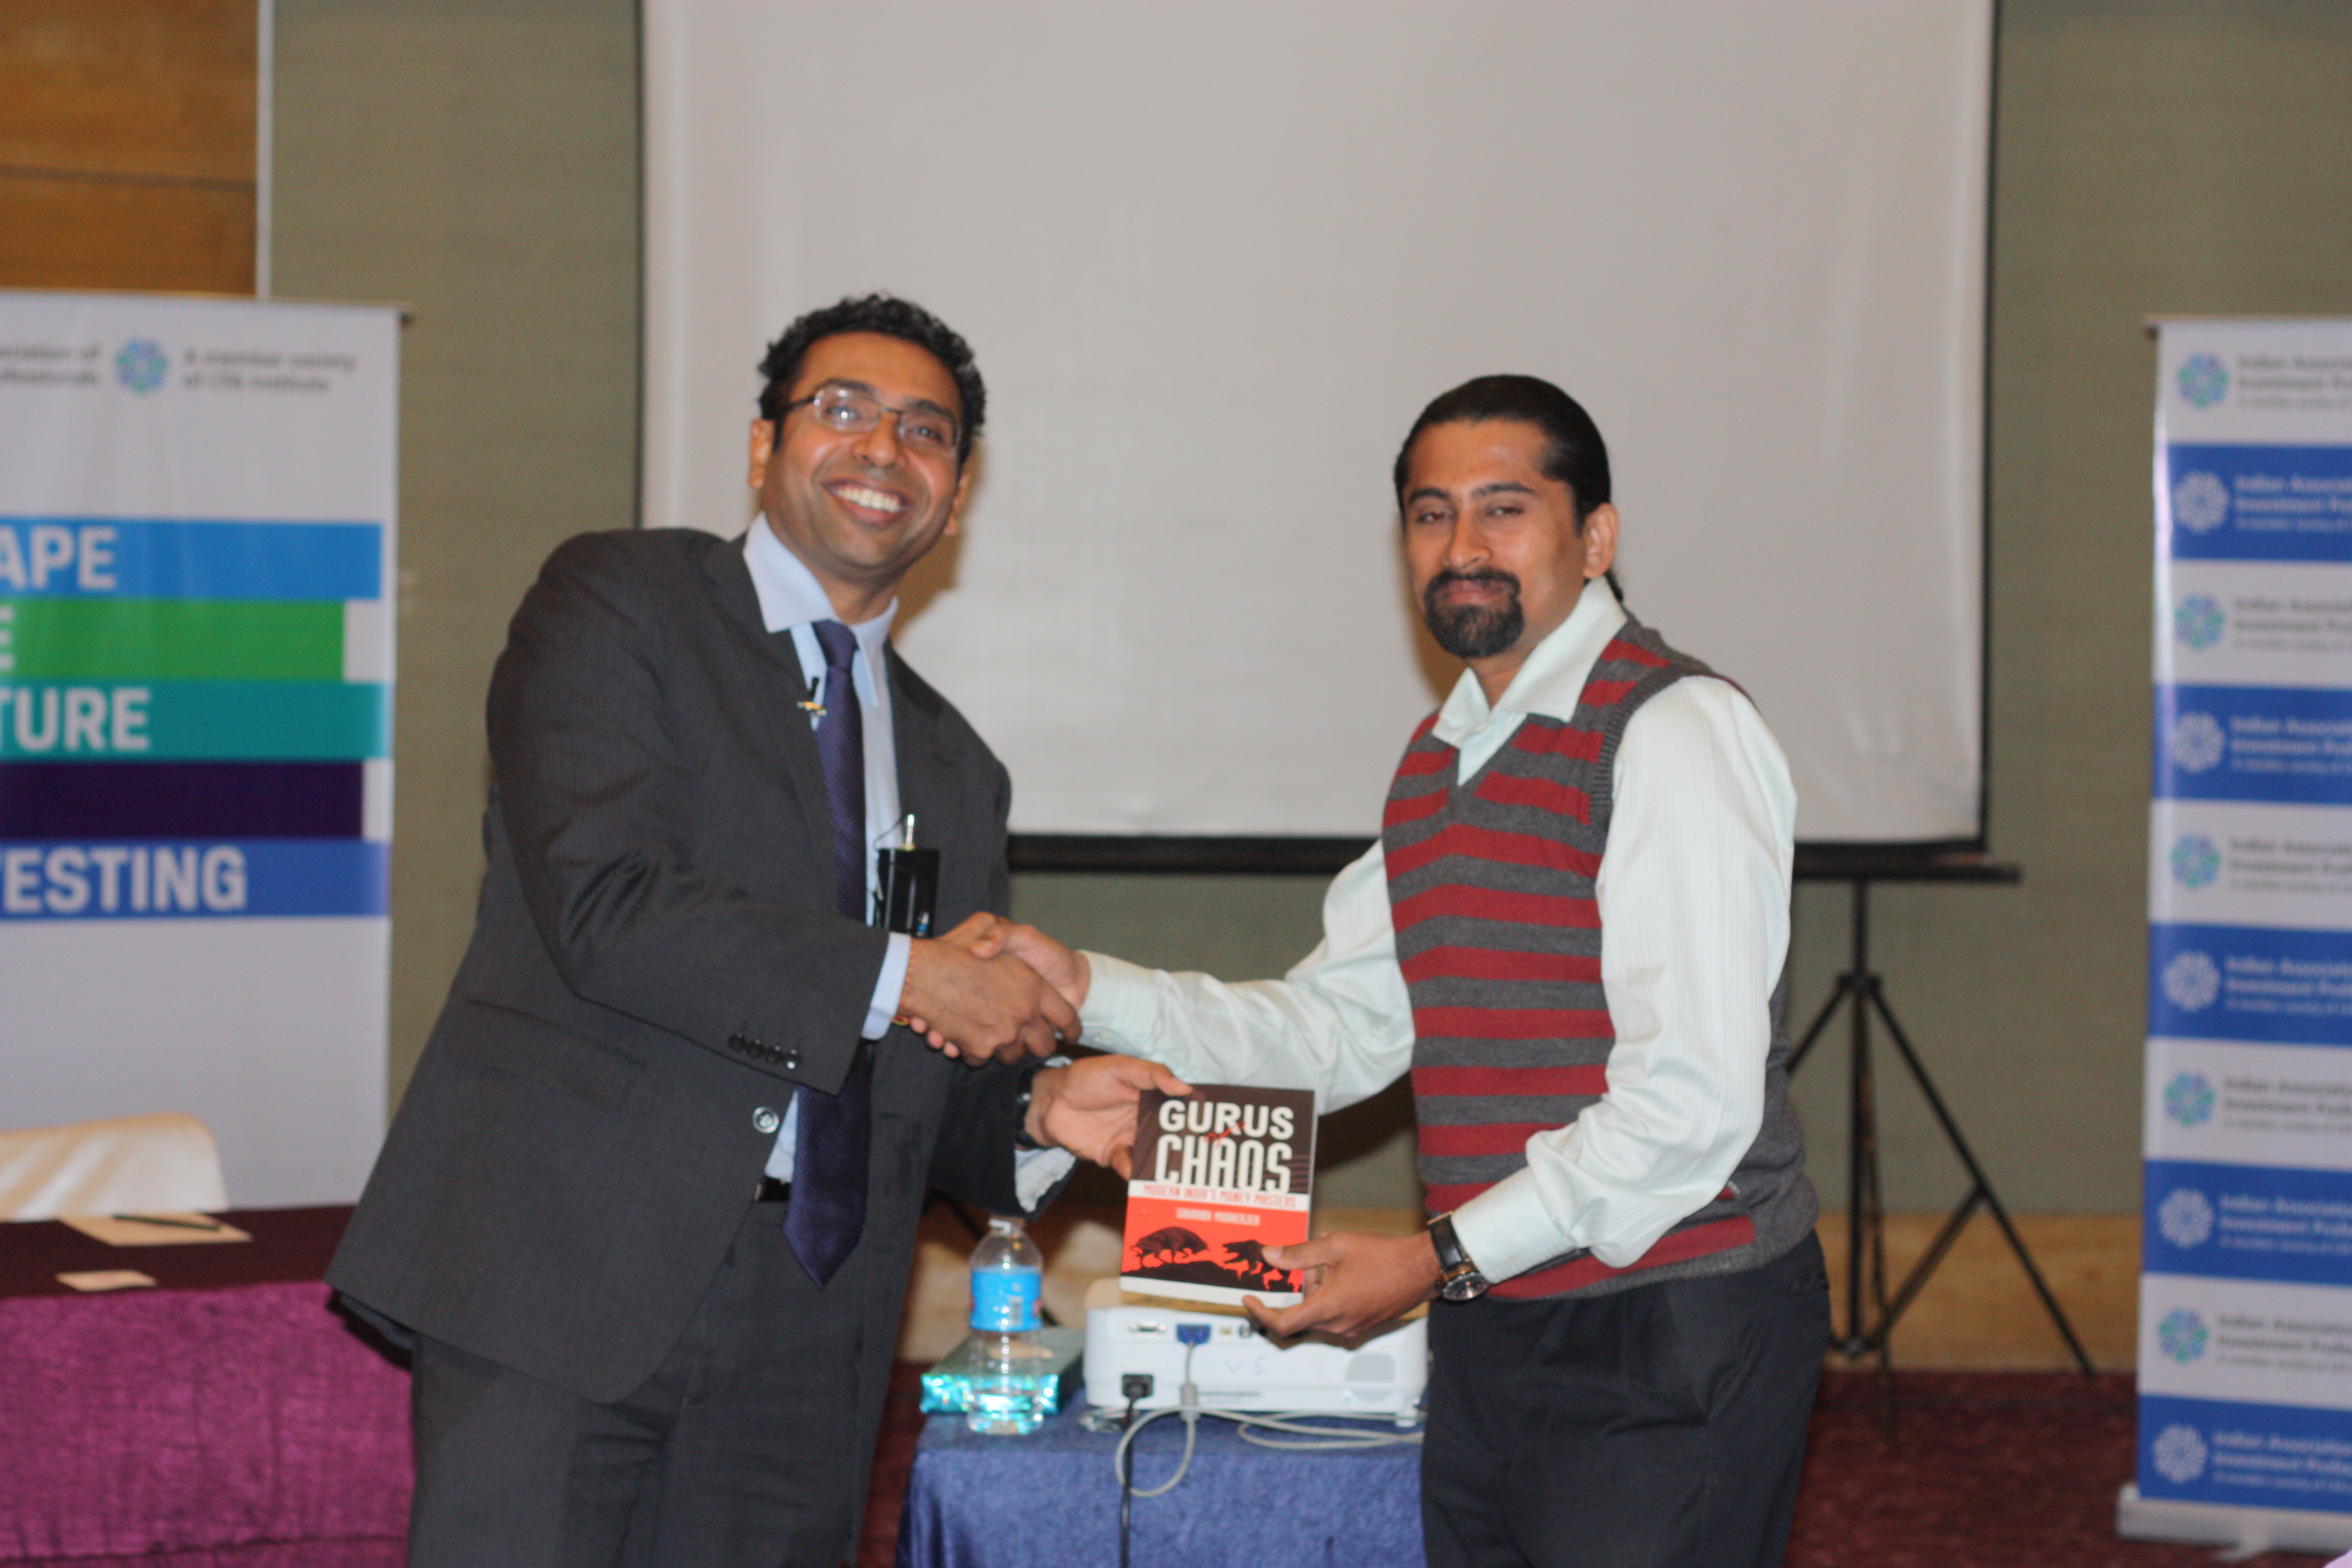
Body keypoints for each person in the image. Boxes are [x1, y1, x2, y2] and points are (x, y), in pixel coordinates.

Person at [329, 293, 1179, 1567]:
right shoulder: (620, 602)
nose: (884, 448)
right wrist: (909, 974)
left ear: (955, 494)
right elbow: (608, 903)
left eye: (927, 431)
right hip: (566, 1276)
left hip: (810, 1333)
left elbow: (911, 1070)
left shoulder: (958, 768)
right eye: (844, 409)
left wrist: (1039, 1110)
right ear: (761, 445)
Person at [983, 377, 1830, 1568]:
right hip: (1495, 1311)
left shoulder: (1673, 730)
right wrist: (1083, 986)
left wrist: (1433, 1259)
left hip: (1668, 1320)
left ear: (1596, 537)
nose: (1463, 547)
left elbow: (1691, 1104)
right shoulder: (1441, 759)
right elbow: (1339, 1030)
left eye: (1504, 509)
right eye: (1432, 515)